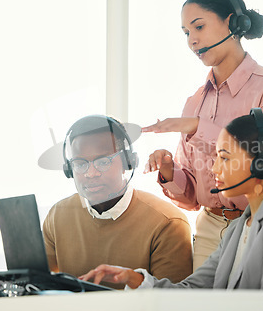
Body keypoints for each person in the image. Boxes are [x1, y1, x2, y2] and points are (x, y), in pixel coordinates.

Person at [80, 109, 263, 290]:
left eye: (224, 157)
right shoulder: (239, 228)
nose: (214, 169)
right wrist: (135, 279)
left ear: (260, 163)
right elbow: (194, 289)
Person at [142, 0, 263, 270]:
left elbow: (262, 162)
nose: (191, 40)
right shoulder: (194, 103)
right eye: (186, 32)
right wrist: (170, 170)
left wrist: (197, 127)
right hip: (209, 230)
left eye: (199, 27)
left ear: (231, 23)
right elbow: (192, 197)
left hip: (262, 225)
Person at [42, 115, 193, 289]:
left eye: (103, 161)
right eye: (80, 164)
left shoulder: (167, 223)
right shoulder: (57, 215)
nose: (91, 173)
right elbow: (41, 284)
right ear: (69, 169)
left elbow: (173, 303)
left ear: (128, 162)